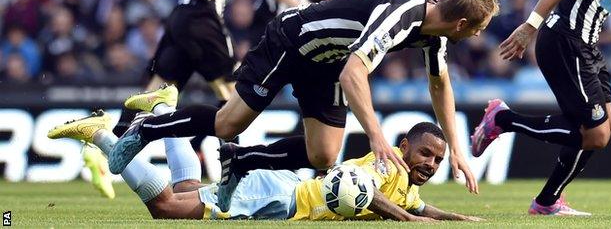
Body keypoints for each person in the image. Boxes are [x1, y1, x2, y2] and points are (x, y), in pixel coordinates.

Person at [109, 0, 500, 197]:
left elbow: (440, 83)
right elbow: (354, 74)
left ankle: (240, 160)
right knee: (228, 123)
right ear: (462, 23)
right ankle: (146, 128)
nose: (480, 35)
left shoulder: (435, 35)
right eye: (480, 28)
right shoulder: (402, 14)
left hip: (328, 61)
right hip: (292, 41)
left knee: (324, 155)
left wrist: (459, 152)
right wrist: (377, 138)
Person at [48, 112, 482, 222]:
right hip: (278, 198)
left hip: (285, 188)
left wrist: (462, 219)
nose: (430, 163)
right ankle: (103, 135)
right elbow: (364, 192)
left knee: (185, 192)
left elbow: (425, 208)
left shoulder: (405, 182)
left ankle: (164, 108)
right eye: (426, 153)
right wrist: (409, 220)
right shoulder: (386, 168)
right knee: (165, 208)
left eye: (438, 160)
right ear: (404, 146)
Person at [471, 0, 611, 216]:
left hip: (587, 46)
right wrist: (530, 27)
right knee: (597, 134)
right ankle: (503, 119)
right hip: (566, 40)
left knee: (605, 126)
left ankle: (546, 201)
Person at [111, 0, 239, 193]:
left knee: (154, 93)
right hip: (202, 15)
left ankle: (104, 146)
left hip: (182, 17)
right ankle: (233, 176)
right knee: (232, 98)